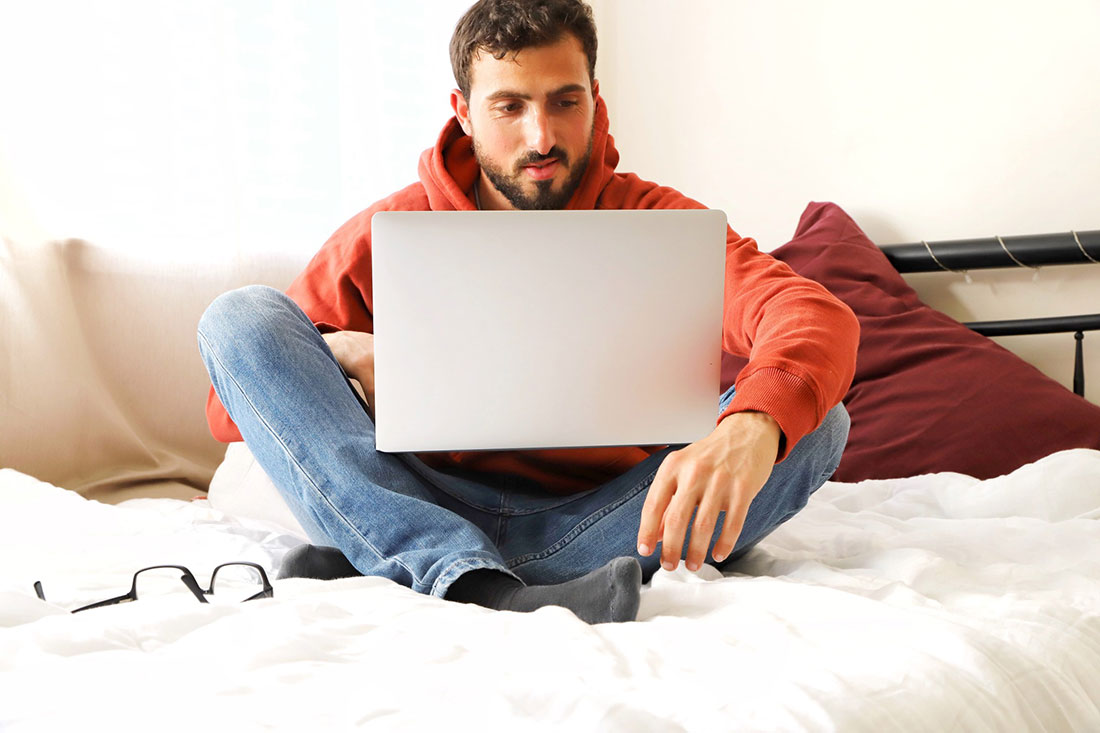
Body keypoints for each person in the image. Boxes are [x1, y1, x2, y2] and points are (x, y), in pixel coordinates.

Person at [197, 0, 859, 625]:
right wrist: (342, 354)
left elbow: (809, 313)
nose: (541, 136)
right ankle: (462, 566)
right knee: (239, 316)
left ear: (596, 101)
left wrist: (751, 427)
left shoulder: (658, 222)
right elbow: (236, 404)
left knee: (816, 425)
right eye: (509, 106)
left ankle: (409, 561)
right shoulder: (390, 229)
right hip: (417, 492)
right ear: (463, 112)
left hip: (604, 515)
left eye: (564, 102)